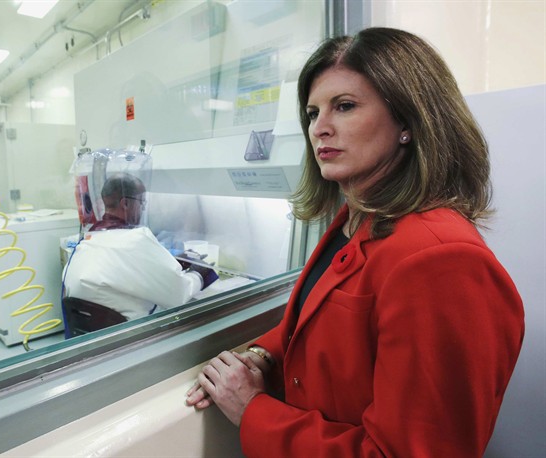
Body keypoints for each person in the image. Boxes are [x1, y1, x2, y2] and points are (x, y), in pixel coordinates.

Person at [185, 27, 524, 457]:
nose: (319, 129)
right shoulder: (359, 219)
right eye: (312, 113)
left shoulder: (440, 259)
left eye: (344, 107)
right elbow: (330, 327)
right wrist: (263, 355)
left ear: (408, 120)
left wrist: (254, 411)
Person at [63, 172, 218, 323]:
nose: (142, 209)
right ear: (125, 203)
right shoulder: (135, 239)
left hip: (98, 336)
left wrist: (173, 263)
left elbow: (124, 271)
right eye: (141, 202)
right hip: (133, 338)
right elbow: (178, 294)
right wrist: (199, 273)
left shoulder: (90, 239)